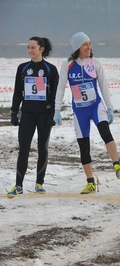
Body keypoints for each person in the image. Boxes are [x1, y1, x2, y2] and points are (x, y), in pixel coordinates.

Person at [54, 32, 120, 194]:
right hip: (79, 111)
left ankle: (116, 165)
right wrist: (57, 109)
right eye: (85, 44)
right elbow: (60, 87)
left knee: (105, 132)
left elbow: (103, 86)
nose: (89, 47)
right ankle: (90, 182)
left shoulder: (95, 63)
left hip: (95, 106)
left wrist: (109, 107)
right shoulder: (67, 64)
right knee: (84, 146)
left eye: (90, 43)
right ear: (77, 47)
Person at [7, 37, 59, 198]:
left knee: (42, 149)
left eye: (33, 48)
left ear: (41, 49)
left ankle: (39, 183)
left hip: (44, 115)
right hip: (28, 114)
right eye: (28, 48)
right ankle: (18, 185)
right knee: (23, 149)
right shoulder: (23, 68)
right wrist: (14, 112)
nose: (30, 51)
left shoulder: (51, 69)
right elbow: (18, 92)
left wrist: (53, 115)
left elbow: (55, 95)